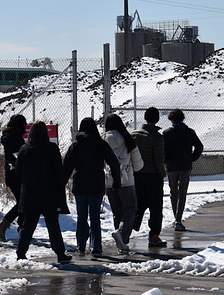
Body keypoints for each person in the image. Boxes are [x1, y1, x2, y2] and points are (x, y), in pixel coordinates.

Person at [62, 117, 121, 256]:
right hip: (96, 184)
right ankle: (96, 247)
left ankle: (81, 245)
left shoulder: (76, 145)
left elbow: (66, 168)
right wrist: (116, 181)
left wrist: (61, 185)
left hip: (80, 184)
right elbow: (114, 163)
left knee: (81, 216)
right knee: (94, 216)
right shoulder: (101, 144)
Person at [15, 121, 72, 263]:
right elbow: (58, 172)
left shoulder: (24, 149)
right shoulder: (52, 149)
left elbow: (18, 171)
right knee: (53, 225)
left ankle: (21, 253)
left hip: (30, 194)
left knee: (28, 225)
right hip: (49, 194)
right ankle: (60, 253)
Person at [104, 113, 144, 253]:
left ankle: (121, 243)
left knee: (117, 212)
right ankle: (121, 235)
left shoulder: (103, 140)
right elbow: (139, 165)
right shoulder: (128, 140)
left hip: (109, 181)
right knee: (130, 209)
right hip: (126, 181)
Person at [132, 107, 167, 247]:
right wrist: (163, 174)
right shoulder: (157, 137)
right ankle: (154, 235)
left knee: (138, 205)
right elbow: (159, 160)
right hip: (153, 177)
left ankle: (129, 228)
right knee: (155, 207)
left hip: (137, 175)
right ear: (157, 119)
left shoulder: (134, 135)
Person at [163, 108, 203, 232]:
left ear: (171, 119)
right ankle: (179, 219)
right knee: (182, 192)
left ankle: (176, 218)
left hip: (171, 167)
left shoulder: (167, 133)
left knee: (173, 192)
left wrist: (165, 161)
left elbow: (163, 150)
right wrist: (192, 158)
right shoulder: (190, 132)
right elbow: (199, 147)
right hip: (185, 166)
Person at [0, 115, 27, 242]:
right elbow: (19, 158)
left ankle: (20, 229)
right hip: (17, 175)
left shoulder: (8, 138)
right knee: (23, 203)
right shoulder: (16, 140)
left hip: (11, 174)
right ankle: (5, 225)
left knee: (22, 202)